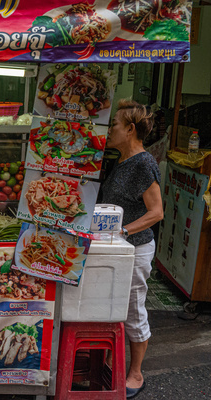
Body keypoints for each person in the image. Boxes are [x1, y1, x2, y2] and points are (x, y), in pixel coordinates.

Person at [99, 99, 164, 399]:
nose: (110, 128)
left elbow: (156, 212)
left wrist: (123, 230)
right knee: (113, 306)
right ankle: (113, 359)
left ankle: (136, 373)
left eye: (114, 124)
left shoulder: (143, 163)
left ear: (130, 129)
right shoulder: (121, 159)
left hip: (135, 249)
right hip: (117, 248)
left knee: (132, 310)